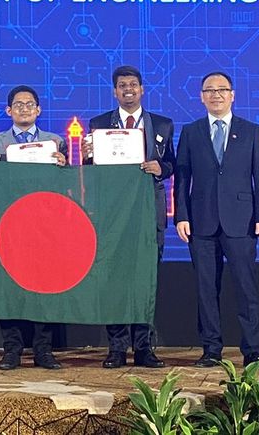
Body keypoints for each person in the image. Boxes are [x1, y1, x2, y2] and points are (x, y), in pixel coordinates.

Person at [173, 71, 259, 368]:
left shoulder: (251, 131)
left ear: (232, 95)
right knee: (206, 289)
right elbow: (182, 178)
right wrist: (181, 215)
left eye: (222, 89)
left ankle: (252, 351)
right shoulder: (191, 132)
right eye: (209, 90)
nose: (216, 94)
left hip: (242, 221)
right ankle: (211, 349)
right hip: (201, 222)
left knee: (246, 288)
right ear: (201, 97)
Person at [83, 64, 175, 369]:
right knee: (113, 280)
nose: (128, 90)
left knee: (145, 281)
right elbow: (90, 168)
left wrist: (162, 168)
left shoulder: (162, 124)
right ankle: (117, 348)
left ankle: (144, 347)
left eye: (133, 84)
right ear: (115, 91)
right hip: (112, 213)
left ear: (142, 89)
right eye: (122, 85)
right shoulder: (98, 124)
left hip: (148, 211)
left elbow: (172, 164)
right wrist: (87, 153)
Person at [0, 84, 67, 370]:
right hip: (10, 225)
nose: (24, 109)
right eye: (18, 104)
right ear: (8, 110)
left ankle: (43, 350)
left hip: (45, 226)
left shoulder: (55, 142)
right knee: (9, 287)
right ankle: (11, 350)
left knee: (46, 287)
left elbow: (68, 186)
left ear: (38, 110)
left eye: (29, 104)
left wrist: (64, 165)